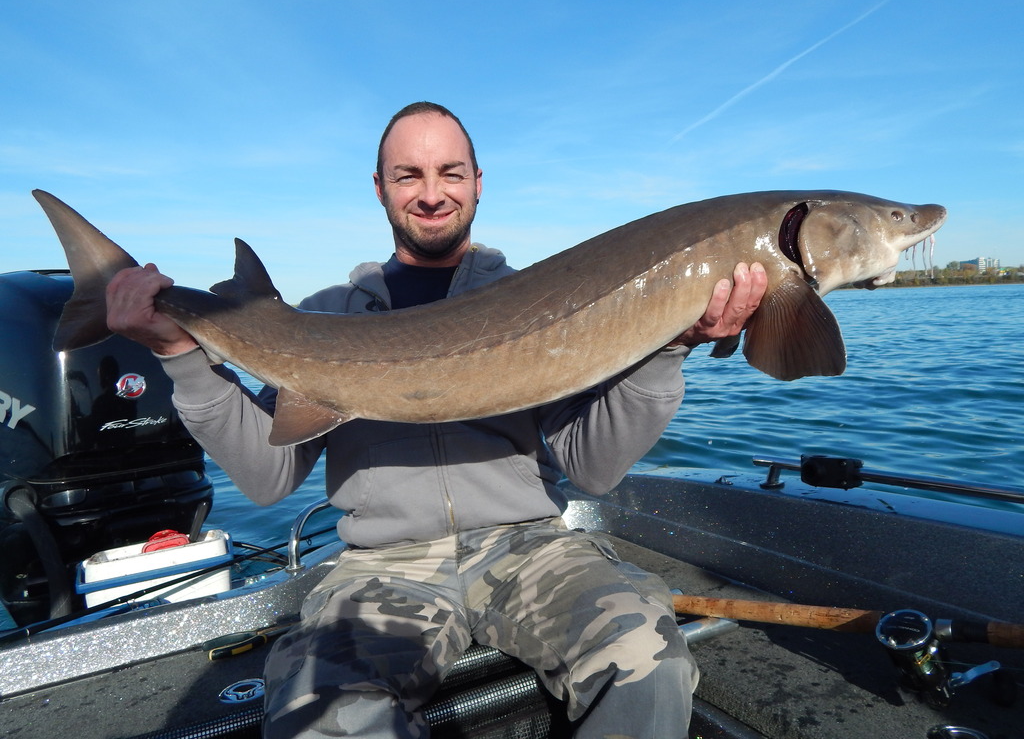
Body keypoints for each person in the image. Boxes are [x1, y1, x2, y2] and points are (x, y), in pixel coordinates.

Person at [106, 102, 768, 739]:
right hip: (383, 564)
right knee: (323, 709)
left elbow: (591, 468)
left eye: (450, 173)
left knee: (649, 656)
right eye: (408, 176)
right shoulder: (324, 316)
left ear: (477, 182)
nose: (431, 194)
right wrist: (181, 358)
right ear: (379, 188)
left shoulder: (550, 297)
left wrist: (669, 348)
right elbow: (269, 477)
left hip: (531, 547)